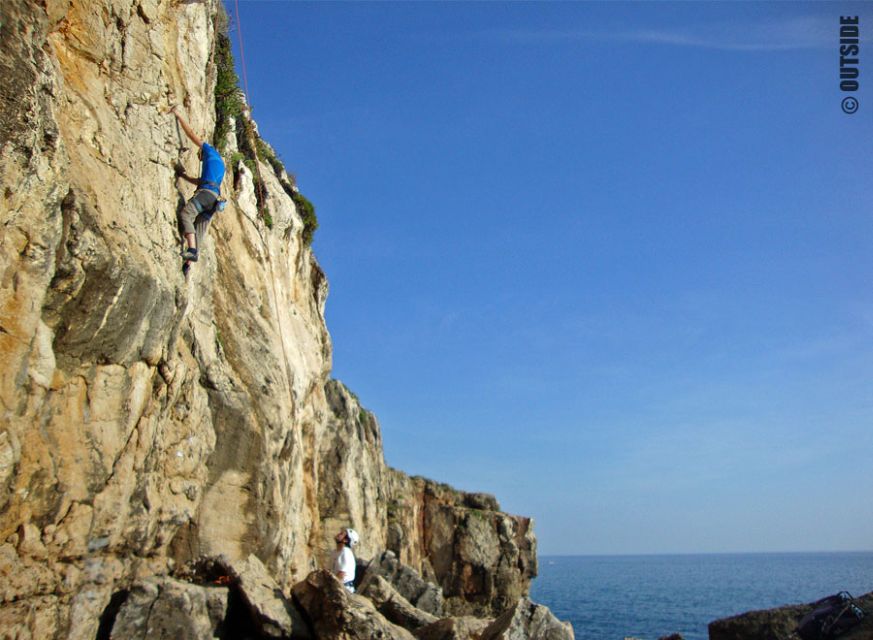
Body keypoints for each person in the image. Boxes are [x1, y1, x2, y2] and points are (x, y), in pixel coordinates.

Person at [169, 105, 225, 264]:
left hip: (206, 195)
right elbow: (202, 182)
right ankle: (187, 265)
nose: (200, 158)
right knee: (199, 231)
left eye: (199, 156)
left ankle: (192, 251)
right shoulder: (220, 165)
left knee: (187, 214)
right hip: (214, 200)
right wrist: (183, 176)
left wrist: (178, 115)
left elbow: (191, 134)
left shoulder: (209, 151)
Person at [331, 527, 359, 593]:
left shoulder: (346, 552)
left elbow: (341, 574)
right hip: (337, 585)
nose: (338, 534)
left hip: (344, 589)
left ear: (345, 540)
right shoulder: (335, 552)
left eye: (341, 534)